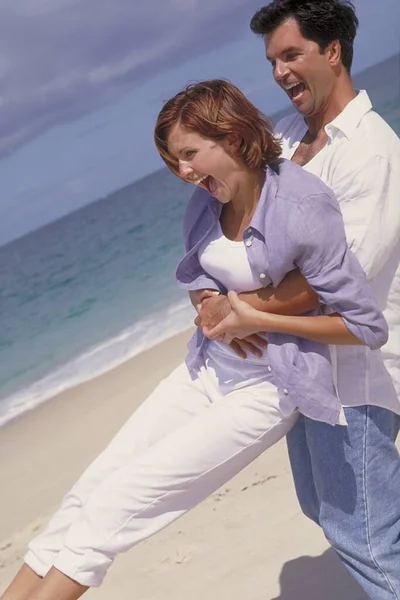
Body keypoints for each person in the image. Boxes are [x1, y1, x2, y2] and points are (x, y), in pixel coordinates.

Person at [0, 80, 388, 600]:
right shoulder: (206, 205)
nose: (183, 172)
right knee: (84, 497)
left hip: (266, 389)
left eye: (189, 154)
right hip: (203, 370)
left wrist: (256, 315)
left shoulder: (301, 204)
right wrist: (206, 302)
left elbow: (364, 325)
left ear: (230, 135)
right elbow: (199, 274)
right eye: (173, 161)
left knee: (112, 510)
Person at [197, 2, 400, 599]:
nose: (281, 73)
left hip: (358, 373)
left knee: (363, 533)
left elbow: (340, 282)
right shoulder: (283, 139)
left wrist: (243, 310)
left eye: (292, 55)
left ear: (332, 52)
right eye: (272, 61)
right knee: (322, 506)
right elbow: (240, 217)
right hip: (300, 367)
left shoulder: (372, 151)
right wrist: (211, 286)